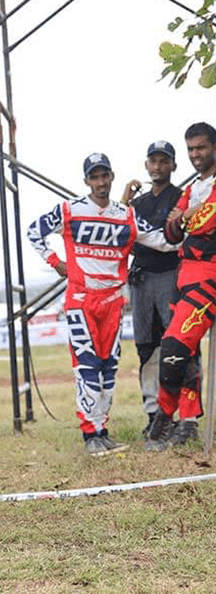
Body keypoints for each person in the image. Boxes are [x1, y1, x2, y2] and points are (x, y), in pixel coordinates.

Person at [27, 152, 178, 456]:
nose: (100, 182)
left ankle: (102, 431)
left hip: (113, 301)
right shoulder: (69, 209)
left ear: (111, 177)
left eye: (104, 176)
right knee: (88, 366)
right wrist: (55, 261)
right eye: (94, 177)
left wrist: (189, 230)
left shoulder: (126, 214)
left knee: (109, 368)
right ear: (86, 181)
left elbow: (161, 241)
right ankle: (89, 434)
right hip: (81, 299)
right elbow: (34, 232)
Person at [121, 141, 202, 445]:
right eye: (153, 161)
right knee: (147, 347)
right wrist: (124, 202)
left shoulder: (182, 197)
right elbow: (123, 234)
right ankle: (155, 414)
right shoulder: (138, 203)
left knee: (182, 345)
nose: (157, 166)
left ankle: (188, 418)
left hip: (172, 276)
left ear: (173, 166)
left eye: (163, 161)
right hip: (141, 279)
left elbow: (182, 237)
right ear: (146, 165)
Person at [147, 122, 216, 451]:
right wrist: (187, 217)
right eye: (190, 149)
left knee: (174, 347)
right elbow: (171, 232)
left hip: (209, 276)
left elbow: (205, 221)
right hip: (183, 274)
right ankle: (186, 423)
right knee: (182, 351)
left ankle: (164, 415)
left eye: (201, 147)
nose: (195, 154)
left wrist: (185, 217)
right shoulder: (193, 187)